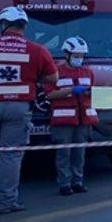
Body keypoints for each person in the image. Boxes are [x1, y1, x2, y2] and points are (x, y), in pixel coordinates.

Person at [0, 7, 58, 216]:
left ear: (3, 24)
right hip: (19, 107)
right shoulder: (37, 50)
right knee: (11, 155)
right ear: (23, 26)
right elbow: (53, 78)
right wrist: (33, 78)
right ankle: (6, 202)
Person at [45, 37, 96, 196]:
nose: (79, 58)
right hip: (63, 120)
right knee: (63, 153)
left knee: (79, 153)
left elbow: (93, 93)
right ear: (66, 55)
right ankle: (64, 183)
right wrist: (70, 90)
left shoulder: (88, 72)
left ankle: (78, 181)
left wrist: (90, 93)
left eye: (81, 56)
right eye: (76, 55)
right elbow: (49, 95)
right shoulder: (55, 72)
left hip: (82, 119)